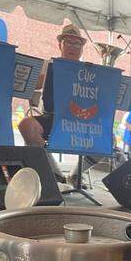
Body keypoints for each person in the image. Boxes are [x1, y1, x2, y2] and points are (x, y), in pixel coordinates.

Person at [19, 23, 89, 183]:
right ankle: (55, 173)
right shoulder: (48, 65)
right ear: (60, 45)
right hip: (52, 119)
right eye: (68, 42)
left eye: (77, 43)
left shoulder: (89, 71)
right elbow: (32, 86)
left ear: (82, 48)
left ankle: (76, 174)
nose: (72, 46)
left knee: (108, 138)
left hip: (81, 122)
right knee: (26, 125)